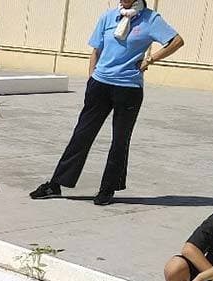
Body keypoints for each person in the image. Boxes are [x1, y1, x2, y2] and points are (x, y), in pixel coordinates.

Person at [30, 0, 184, 206]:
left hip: (129, 88)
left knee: (120, 140)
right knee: (81, 135)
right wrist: (91, 78)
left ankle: (107, 188)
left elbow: (177, 41)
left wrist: (150, 59)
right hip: (100, 84)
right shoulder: (109, 17)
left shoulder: (151, 19)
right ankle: (56, 183)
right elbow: (96, 50)